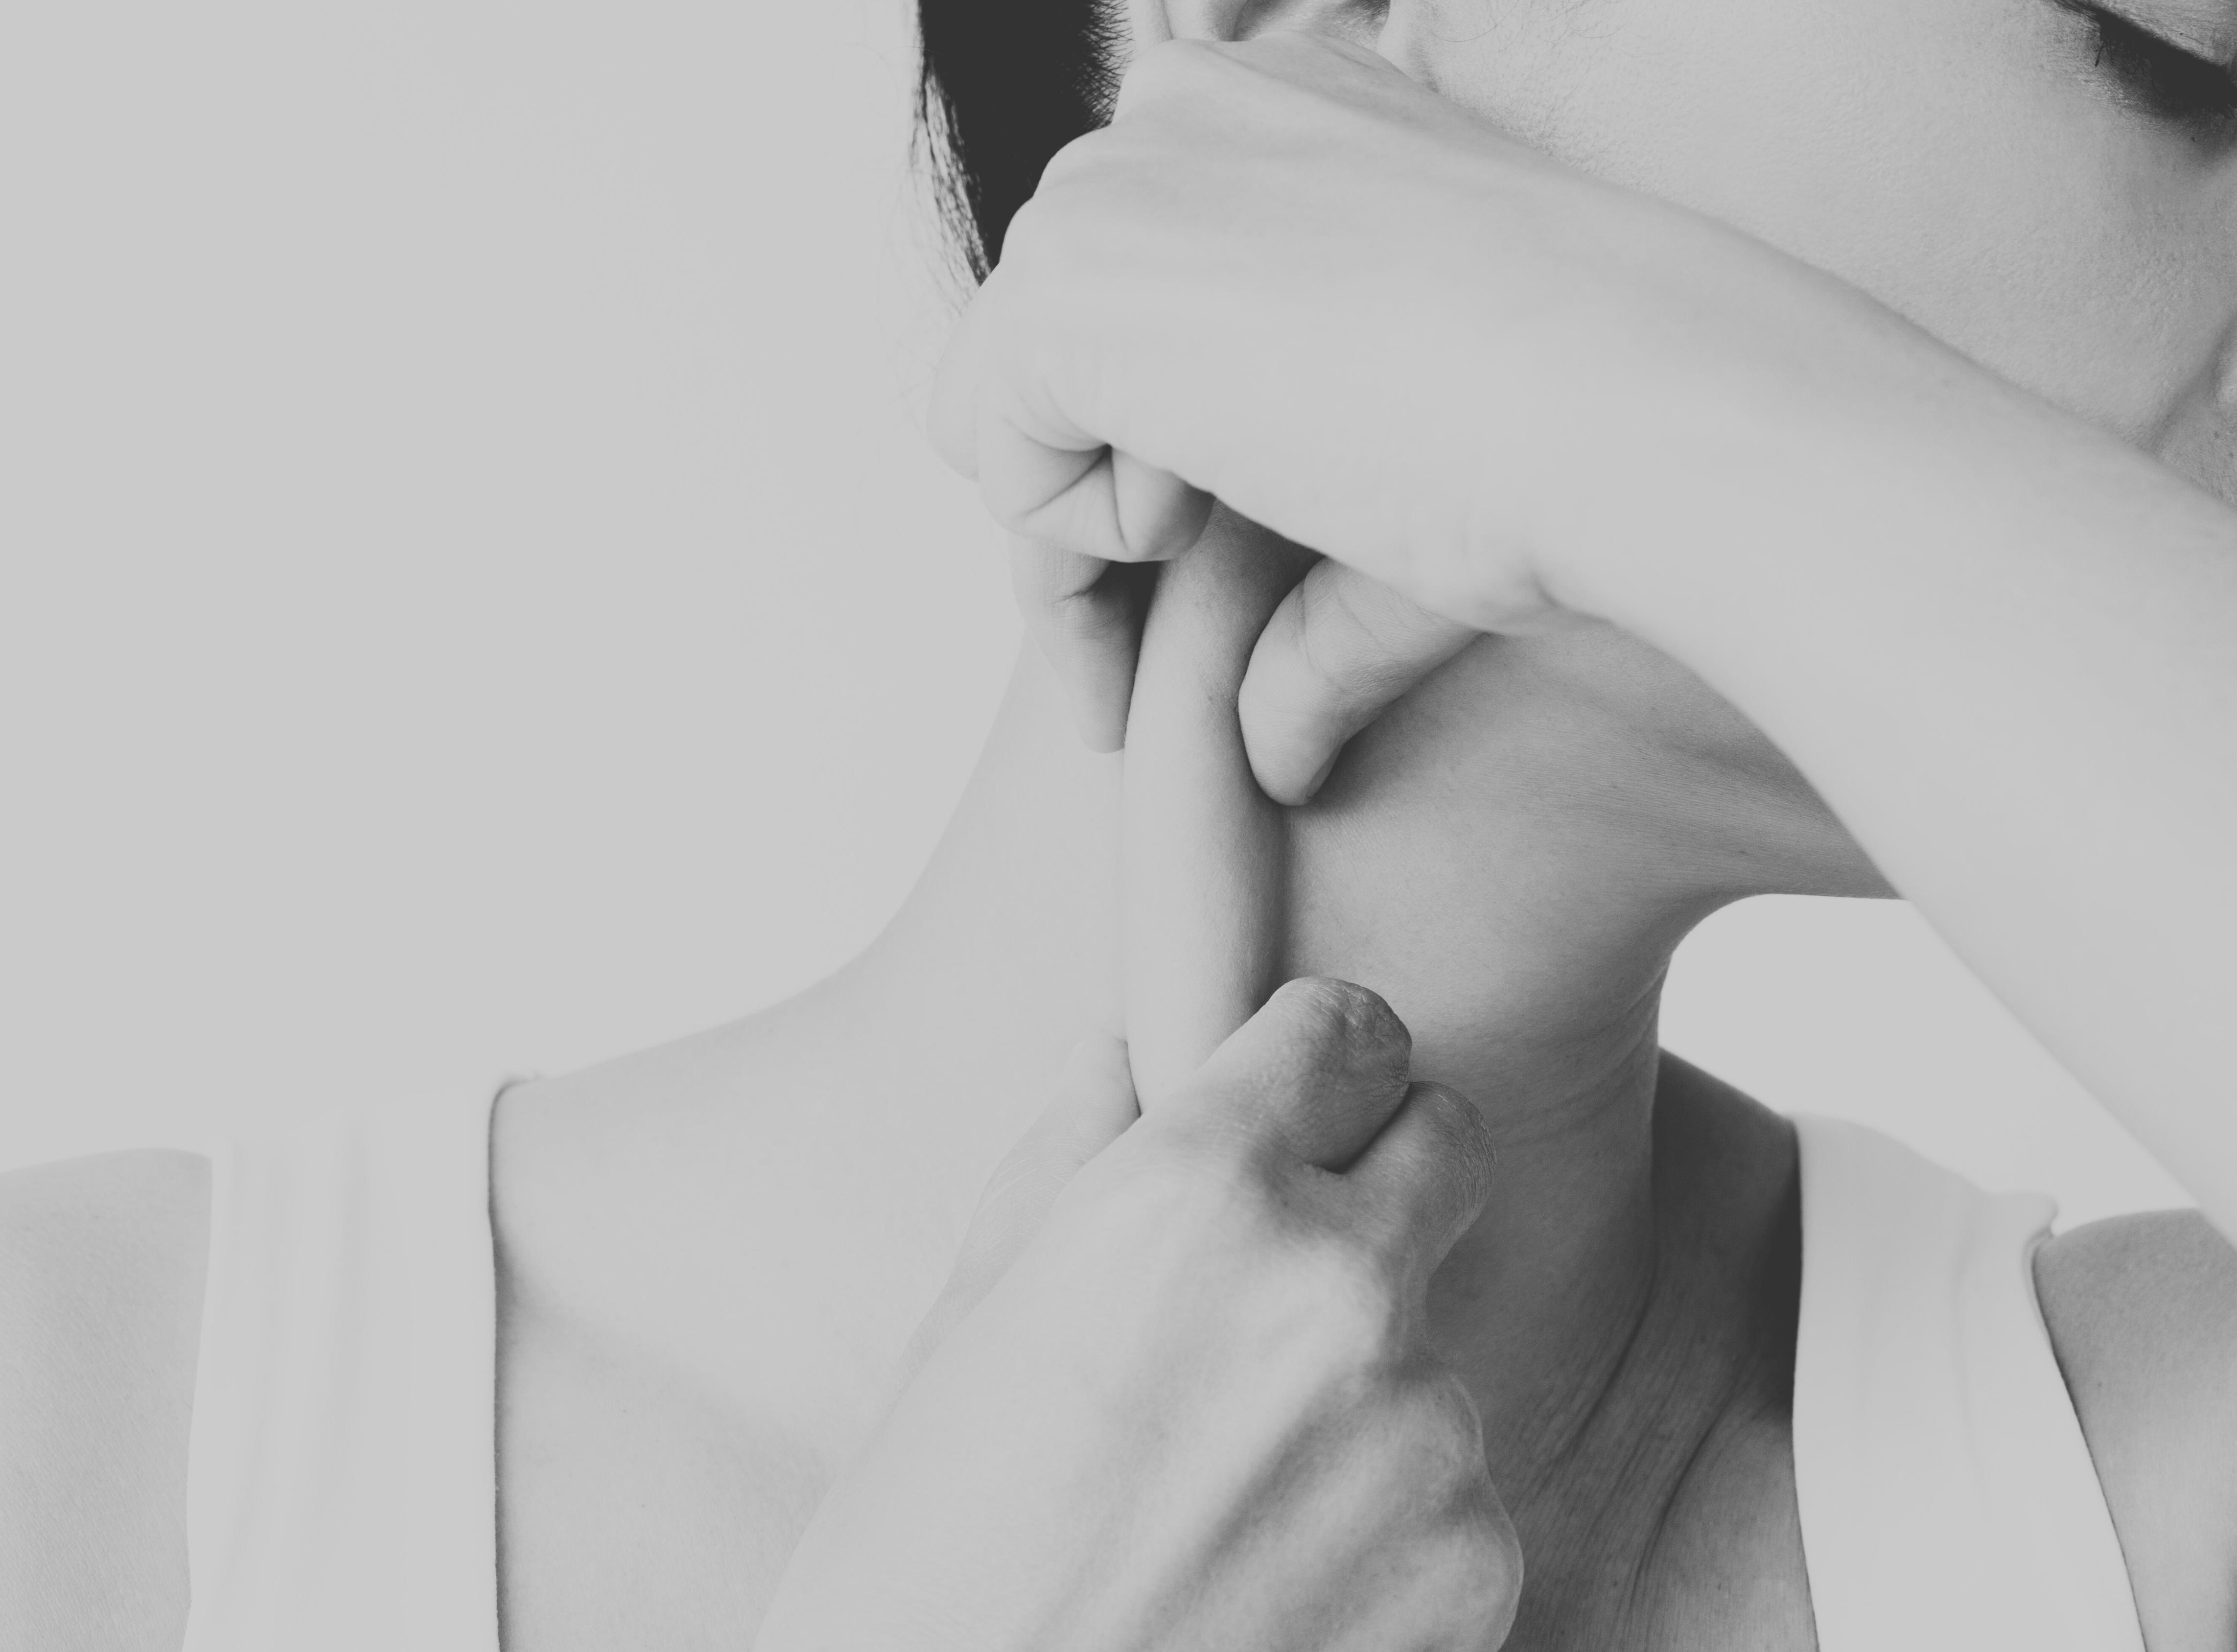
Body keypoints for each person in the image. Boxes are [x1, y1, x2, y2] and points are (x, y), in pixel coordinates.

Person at [5, 0, 2237, 1648]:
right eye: (2175, 47)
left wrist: (1672, 418)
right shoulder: (79, 1456)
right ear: (1297, 26)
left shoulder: (2146, 1499)